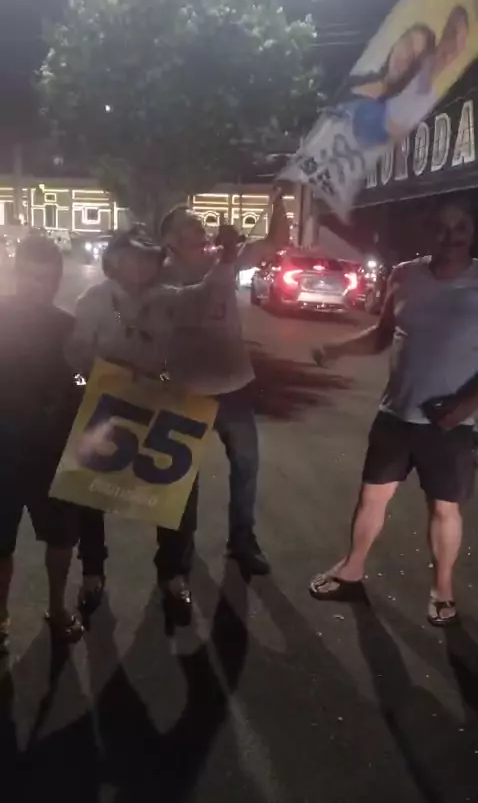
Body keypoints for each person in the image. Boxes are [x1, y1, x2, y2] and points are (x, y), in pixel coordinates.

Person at [309, 198, 478, 627]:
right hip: (396, 415)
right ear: (428, 233)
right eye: (442, 227)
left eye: (461, 227)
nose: (452, 236)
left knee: (444, 509)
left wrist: (464, 407)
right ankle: (352, 570)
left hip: (451, 425)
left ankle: (442, 590)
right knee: (371, 498)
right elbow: (383, 334)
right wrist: (337, 349)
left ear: (472, 233)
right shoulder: (404, 275)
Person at [67, 225, 237, 622]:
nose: (140, 265)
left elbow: (207, 296)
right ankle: (92, 572)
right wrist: (97, 374)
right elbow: (75, 354)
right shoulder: (92, 300)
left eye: (148, 257)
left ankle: (173, 575)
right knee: (88, 493)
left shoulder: (168, 299)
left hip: (160, 401)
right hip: (106, 404)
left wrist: (227, 260)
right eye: (132, 256)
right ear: (114, 260)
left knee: (178, 492)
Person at [158, 207, 282, 585]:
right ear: (171, 240)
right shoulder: (161, 276)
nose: (202, 229)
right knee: (182, 476)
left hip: (233, 386)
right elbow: (198, 297)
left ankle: (242, 539)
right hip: (187, 390)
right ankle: (179, 550)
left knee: (246, 466)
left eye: (201, 224)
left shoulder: (221, 259)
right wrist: (227, 259)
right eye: (191, 225)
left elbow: (276, 242)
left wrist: (281, 198)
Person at [0, 236, 88, 652]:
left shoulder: (68, 327)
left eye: (47, 279)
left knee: (62, 540)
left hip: (53, 452)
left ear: (57, 279)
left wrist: (87, 382)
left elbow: (80, 378)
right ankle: (0, 620)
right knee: (0, 545)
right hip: (3, 452)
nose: (38, 286)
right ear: (16, 274)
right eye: (30, 277)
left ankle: (57, 608)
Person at [386, 6, 469, 138]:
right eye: (454, 33)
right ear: (446, 30)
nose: (455, 47)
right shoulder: (413, 63)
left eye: (461, 43)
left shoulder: (431, 99)